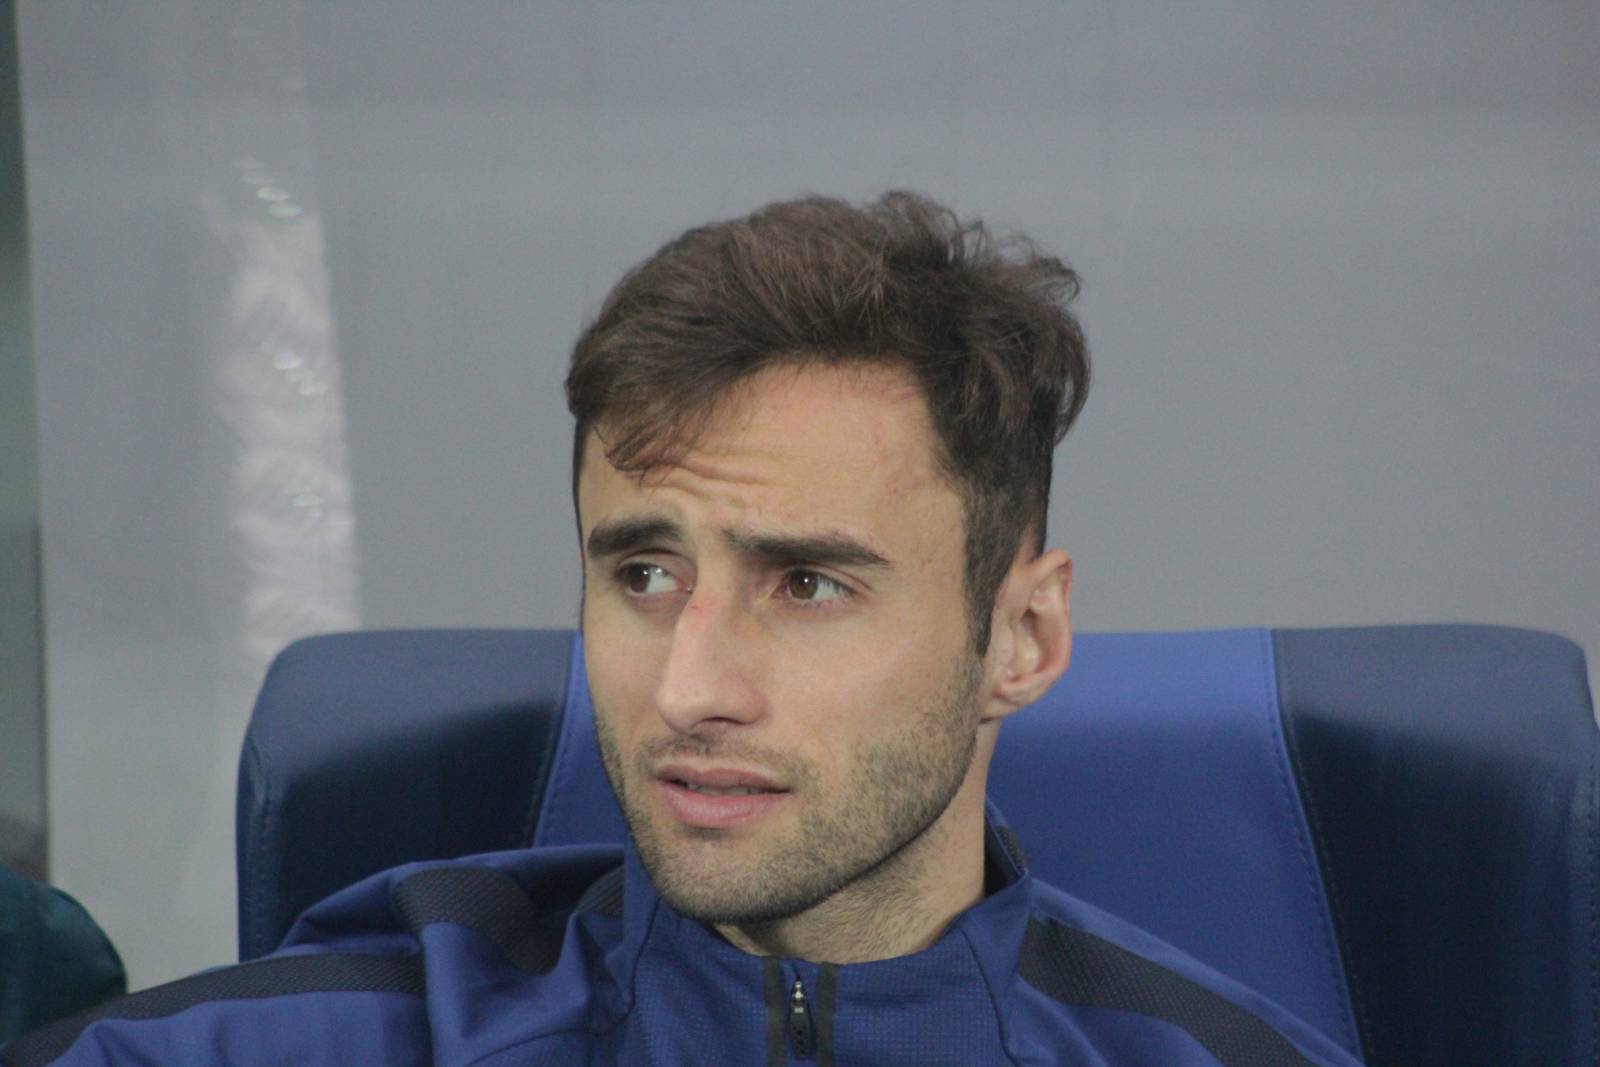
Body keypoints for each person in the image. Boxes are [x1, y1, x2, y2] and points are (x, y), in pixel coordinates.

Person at [4, 191, 1363, 1066]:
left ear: (1022, 637)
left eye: (807, 585)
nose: (691, 686)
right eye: (646, 575)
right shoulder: (321, 1041)